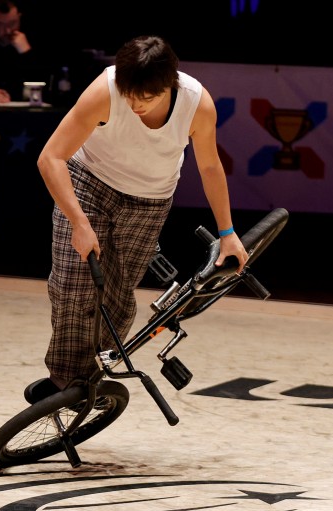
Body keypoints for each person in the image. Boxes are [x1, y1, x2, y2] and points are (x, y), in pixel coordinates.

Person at [28, 35, 249, 401]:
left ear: (170, 85)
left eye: (146, 98)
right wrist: (80, 223)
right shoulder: (105, 90)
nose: (135, 105)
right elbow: (50, 158)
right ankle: (64, 380)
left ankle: (89, 376)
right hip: (89, 183)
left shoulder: (197, 104)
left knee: (116, 300)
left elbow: (210, 167)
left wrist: (227, 232)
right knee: (71, 284)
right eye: (130, 95)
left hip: (150, 199)